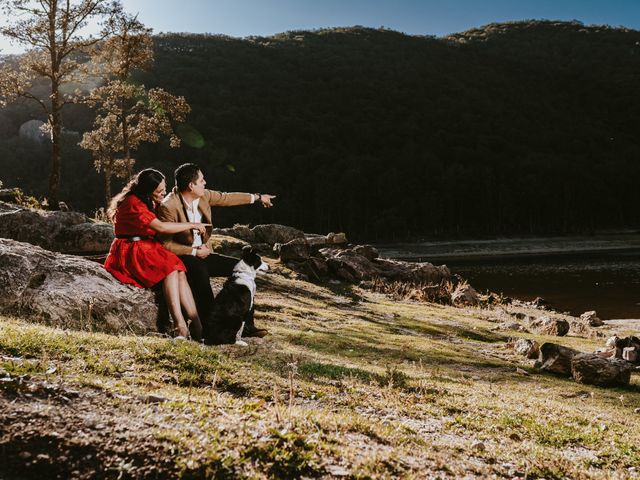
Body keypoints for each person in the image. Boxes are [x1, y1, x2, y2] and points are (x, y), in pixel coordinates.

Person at [156, 163, 275, 339]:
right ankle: (210, 327)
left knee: (242, 267)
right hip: (185, 255)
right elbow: (165, 245)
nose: (205, 183)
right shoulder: (168, 206)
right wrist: (194, 251)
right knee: (200, 273)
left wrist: (258, 197)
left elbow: (227, 198)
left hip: (205, 253)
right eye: (202, 180)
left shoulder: (204, 196)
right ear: (191, 185)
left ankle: (247, 325)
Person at [104, 168, 210, 340]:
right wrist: (191, 225)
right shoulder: (134, 203)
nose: (163, 193)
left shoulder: (148, 200)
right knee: (170, 268)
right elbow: (160, 227)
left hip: (147, 246)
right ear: (148, 189)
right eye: (159, 190)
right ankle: (180, 326)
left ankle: (197, 324)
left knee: (179, 270)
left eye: (164, 188)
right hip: (132, 249)